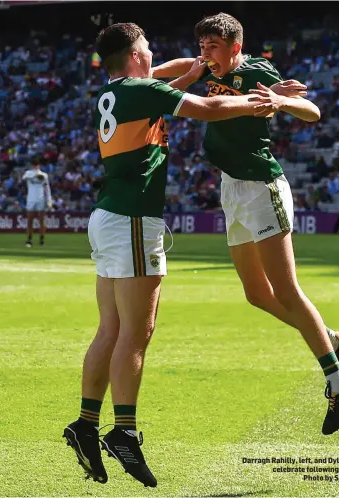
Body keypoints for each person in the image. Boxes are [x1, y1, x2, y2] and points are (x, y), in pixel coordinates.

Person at [63, 22, 275, 488]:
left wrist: (198, 68)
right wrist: (263, 101)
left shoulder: (119, 91)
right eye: (147, 47)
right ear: (136, 56)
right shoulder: (142, 89)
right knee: (137, 332)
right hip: (134, 218)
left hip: (108, 216)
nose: (152, 51)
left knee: (111, 328)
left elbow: (176, 81)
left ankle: (84, 423)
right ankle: (123, 432)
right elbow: (210, 108)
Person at [152, 12, 339, 437]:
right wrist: (190, 72)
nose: (205, 53)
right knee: (256, 294)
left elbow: (313, 111)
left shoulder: (257, 70)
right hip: (233, 190)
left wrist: (281, 101)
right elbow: (160, 80)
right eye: (202, 45)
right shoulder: (208, 68)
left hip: (262, 188)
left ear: (234, 47)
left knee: (285, 289)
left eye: (212, 46)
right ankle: (337, 340)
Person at [22, 158, 52, 247]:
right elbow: (24, 178)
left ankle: (42, 240)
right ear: (32, 165)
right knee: (29, 221)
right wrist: (34, 176)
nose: (35, 166)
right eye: (34, 165)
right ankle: (29, 240)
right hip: (31, 199)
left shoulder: (44, 175)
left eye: (37, 165)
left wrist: (49, 200)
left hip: (41, 199)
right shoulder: (28, 173)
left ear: (39, 165)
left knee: (41, 221)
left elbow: (47, 188)